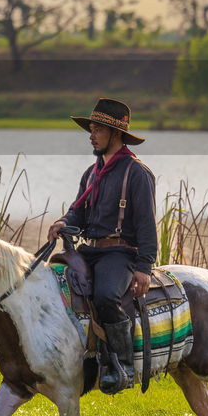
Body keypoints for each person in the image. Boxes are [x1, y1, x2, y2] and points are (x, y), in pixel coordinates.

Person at [47, 98, 158, 394]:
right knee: (54, 281)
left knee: (107, 296)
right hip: (90, 251)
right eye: (91, 130)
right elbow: (78, 212)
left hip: (121, 254)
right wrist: (63, 221)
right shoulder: (91, 173)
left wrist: (144, 269)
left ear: (115, 133)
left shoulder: (137, 173)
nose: (91, 136)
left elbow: (147, 227)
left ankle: (122, 365)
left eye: (97, 130)